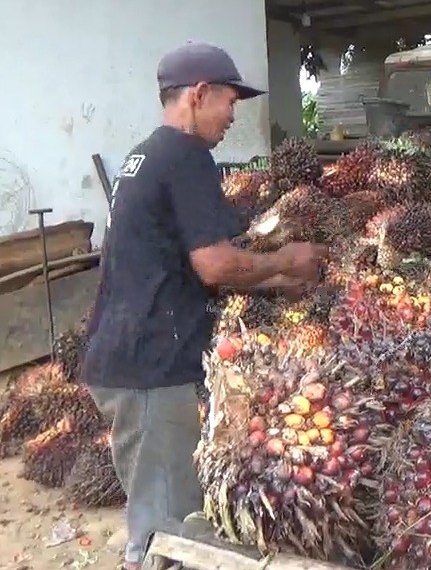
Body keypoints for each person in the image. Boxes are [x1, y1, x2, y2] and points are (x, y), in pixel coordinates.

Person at [80, 42, 327, 570]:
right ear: (197, 95)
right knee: (166, 531)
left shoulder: (146, 154)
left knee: (161, 506)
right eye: (229, 102)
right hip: (149, 364)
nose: (233, 115)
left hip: (125, 355)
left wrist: (277, 280)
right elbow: (215, 265)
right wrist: (284, 256)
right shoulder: (187, 157)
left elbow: (183, 268)